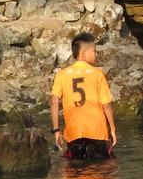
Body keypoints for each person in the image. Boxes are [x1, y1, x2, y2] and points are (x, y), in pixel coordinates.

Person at [50, 32, 117, 161]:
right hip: (97, 129)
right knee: (104, 168)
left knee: (75, 168)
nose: (96, 54)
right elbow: (106, 104)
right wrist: (112, 128)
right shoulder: (97, 73)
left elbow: (54, 101)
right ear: (84, 53)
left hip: (74, 130)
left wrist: (56, 130)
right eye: (94, 50)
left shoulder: (62, 75)